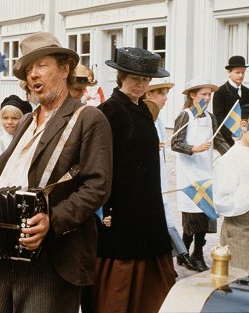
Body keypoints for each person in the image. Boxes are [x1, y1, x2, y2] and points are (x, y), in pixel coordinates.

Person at [0, 32, 112, 313]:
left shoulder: (89, 118)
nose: (33, 75)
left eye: (41, 65)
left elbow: (97, 186)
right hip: (4, 250)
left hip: (52, 258)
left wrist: (52, 220)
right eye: (28, 70)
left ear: (64, 68)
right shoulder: (26, 120)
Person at [95, 47, 175, 313]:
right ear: (120, 77)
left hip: (148, 204)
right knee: (120, 282)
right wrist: (108, 207)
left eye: (145, 80)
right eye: (134, 78)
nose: (140, 85)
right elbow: (100, 164)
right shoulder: (108, 111)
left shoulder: (142, 110)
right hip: (122, 206)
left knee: (153, 283)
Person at [171, 78, 230, 272]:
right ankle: (185, 253)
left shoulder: (210, 117)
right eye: (203, 94)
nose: (207, 98)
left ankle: (194, 254)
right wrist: (194, 148)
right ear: (192, 95)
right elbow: (175, 143)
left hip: (206, 172)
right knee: (192, 218)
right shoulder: (185, 116)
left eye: (209, 94)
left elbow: (219, 140)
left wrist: (233, 155)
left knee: (206, 214)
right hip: (190, 174)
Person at [144, 78, 195, 270]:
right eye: (161, 93)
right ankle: (176, 255)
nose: (165, 98)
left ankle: (176, 255)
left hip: (160, 174)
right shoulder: (146, 116)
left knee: (165, 214)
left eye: (166, 93)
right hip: (149, 177)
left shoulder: (159, 120)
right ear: (148, 94)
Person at [213, 103, 249, 272]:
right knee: (241, 283)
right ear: (244, 125)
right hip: (241, 234)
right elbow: (222, 203)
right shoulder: (229, 160)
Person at [213, 55, 249, 146]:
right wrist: (231, 137)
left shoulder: (247, 91)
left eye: (243, 72)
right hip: (227, 139)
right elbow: (219, 118)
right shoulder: (220, 92)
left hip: (245, 137)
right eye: (237, 72)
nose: (241, 75)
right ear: (229, 73)